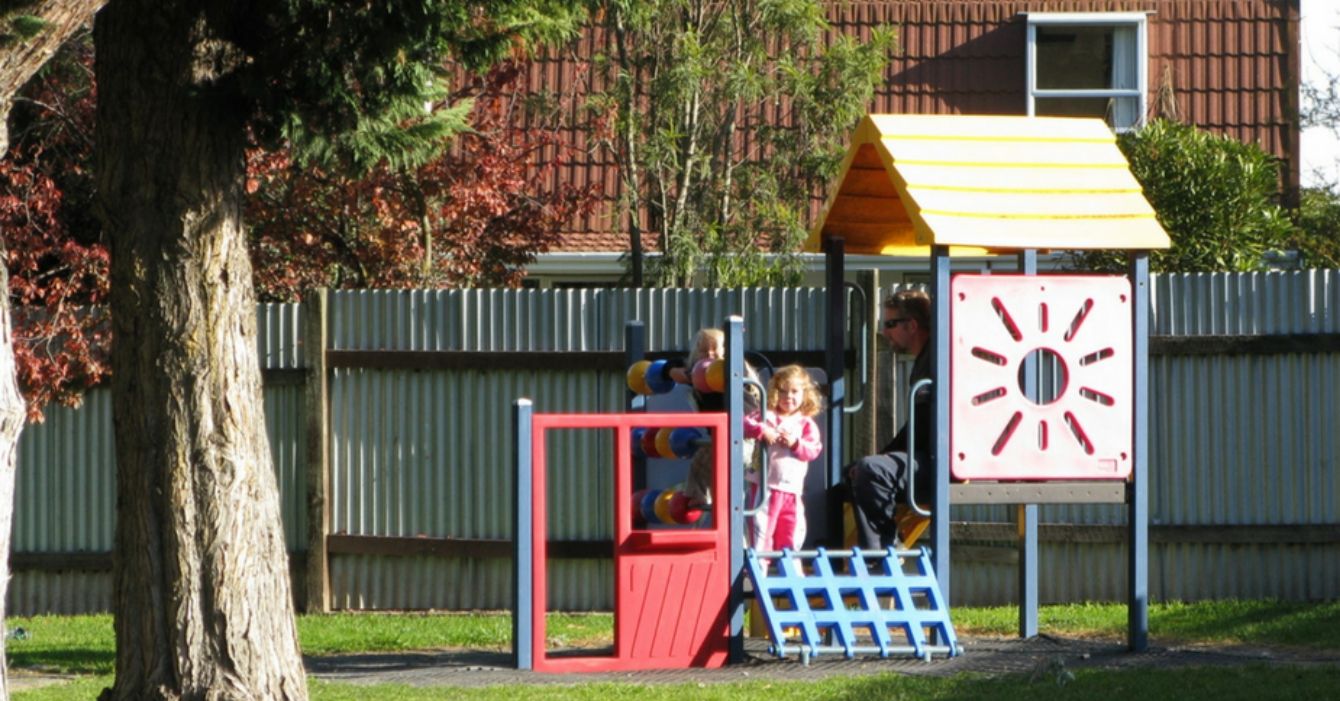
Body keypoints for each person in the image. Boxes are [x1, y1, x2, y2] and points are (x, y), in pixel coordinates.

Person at [846, 289, 935, 550]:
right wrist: (886, 453)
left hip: (943, 461)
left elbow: (926, 425)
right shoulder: (924, 360)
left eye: (890, 324)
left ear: (912, 325)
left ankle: (883, 552)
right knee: (852, 474)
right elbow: (919, 424)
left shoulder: (936, 360)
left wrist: (883, 456)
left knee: (871, 471)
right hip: (928, 454)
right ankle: (848, 552)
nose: (885, 333)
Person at [745, 364, 824, 553]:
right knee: (761, 528)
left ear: (804, 395)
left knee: (792, 530)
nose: (788, 396)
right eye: (783, 391)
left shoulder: (805, 424)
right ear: (774, 392)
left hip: (792, 489)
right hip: (765, 486)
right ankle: (759, 565)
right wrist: (762, 430)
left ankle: (790, 566)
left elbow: (813, 450)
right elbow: (744, 423)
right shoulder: (766, 416)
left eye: (795, 392)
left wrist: (796, 443)